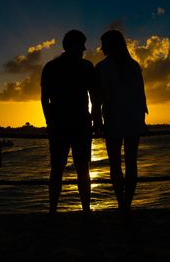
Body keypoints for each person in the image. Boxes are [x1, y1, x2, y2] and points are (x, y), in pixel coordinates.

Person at [41, 29, 101, 215]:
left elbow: (45, 99)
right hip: (78, 123)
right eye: (81, 44)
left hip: (63, 124)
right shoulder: (86, 67)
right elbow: (95, 96)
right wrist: (96, 119)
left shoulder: (51, 67)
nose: (84, 48)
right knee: (80, 168)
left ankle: (54, 210)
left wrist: (50, 122)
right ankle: (84, 210)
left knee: (59, 168)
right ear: (72, 45)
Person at [95, 29, 148, 214]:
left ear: (109, 46)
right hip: (133, 118)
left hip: (113, 119)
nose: (101, 48)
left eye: (103, 45)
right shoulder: (133, 65)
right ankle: (127, 204)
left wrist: (97, 121)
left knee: (115, 163)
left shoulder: (101, 68)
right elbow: (141, 96)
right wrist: (142, 119)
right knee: (131, 162)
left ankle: (121, 203)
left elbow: (97, 98)